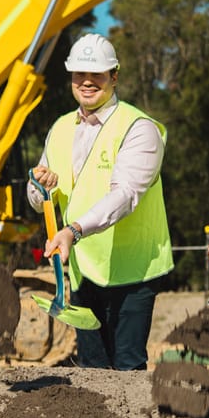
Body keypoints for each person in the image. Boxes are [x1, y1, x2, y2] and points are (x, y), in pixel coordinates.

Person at [27, 33, 173, 371]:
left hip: (133, 270)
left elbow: (125, 196)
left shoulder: (140, 129)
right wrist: (39, 186)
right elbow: (38, 198)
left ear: (114, 76)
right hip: (82, 272)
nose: (87, 82)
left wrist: (73, 231)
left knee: (127, 367)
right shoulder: (61, 128)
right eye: (79, 74)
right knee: (92, 370)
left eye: (97, 75)